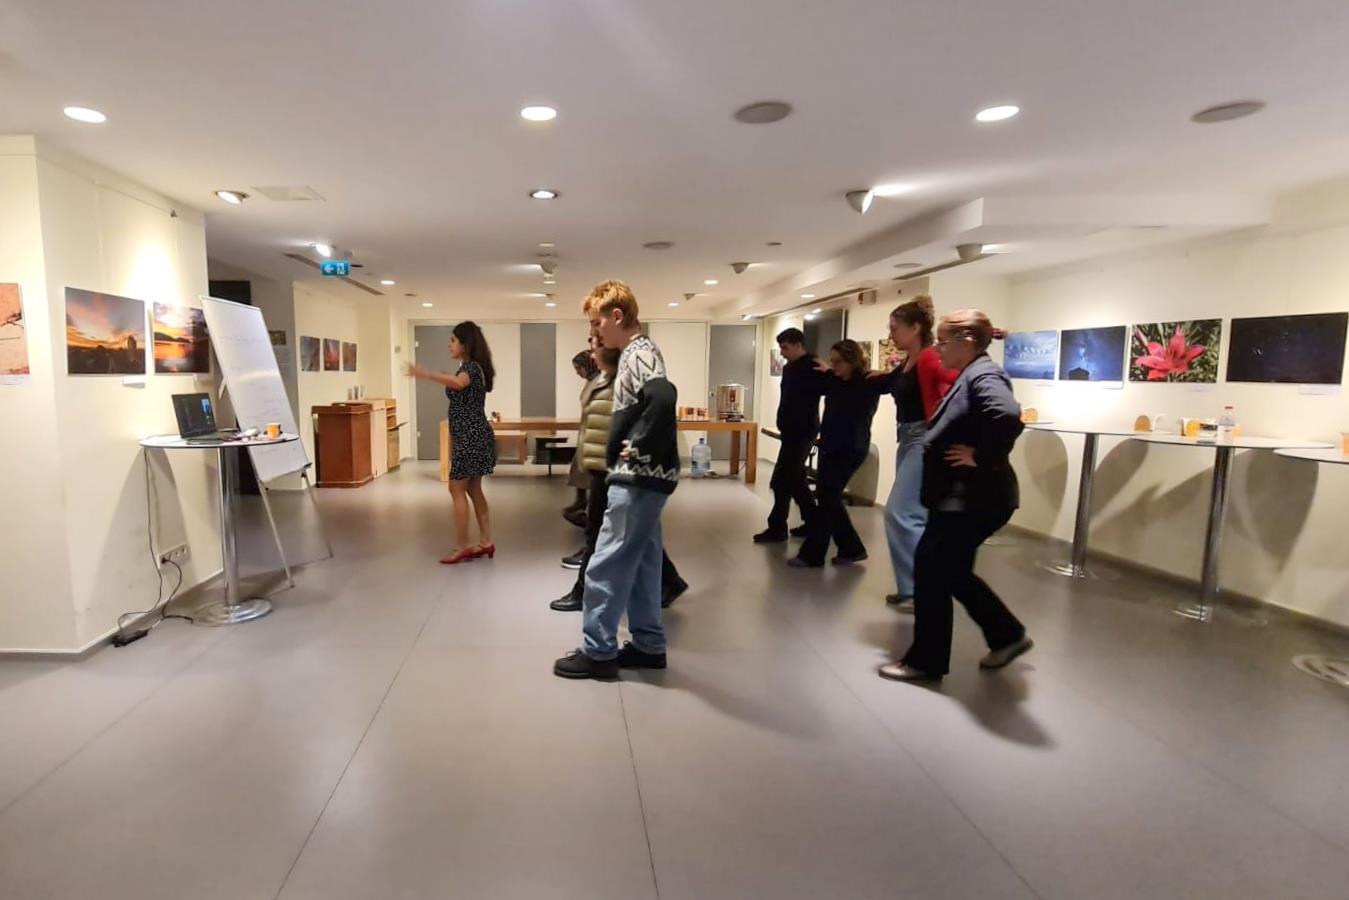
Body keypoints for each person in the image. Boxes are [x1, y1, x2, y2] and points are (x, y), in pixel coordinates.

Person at [879, 309, 1032, 683]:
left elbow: (1006, 414)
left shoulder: (984, 374)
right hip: (963, 497)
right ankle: (1007, 634)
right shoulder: (971, 372)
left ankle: (926, 661)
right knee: (953, 572)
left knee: (931, 571)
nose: (938, 349)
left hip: (971, 499)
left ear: (967, 342)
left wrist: (980, 455)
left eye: (943, 342)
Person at [555, 280, 681, 680]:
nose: (596, 333)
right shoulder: (639, 352)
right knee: (643, 565)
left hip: (638, 478)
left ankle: (598, 652)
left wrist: (639, 444)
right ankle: (648, 646)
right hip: (647, 477)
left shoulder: (638, 353)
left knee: (606, 563)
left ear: (617, 316)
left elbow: (664, 396)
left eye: (598, 323)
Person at [549, 344, 688, 612]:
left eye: (595, 347)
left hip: (611, 467)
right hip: (600, 465)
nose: (592, 354)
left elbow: (646, 412)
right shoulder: (602, 380)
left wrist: (632, 448)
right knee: (634, 531)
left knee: (598, 532)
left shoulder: (623, 382)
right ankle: (670, 581)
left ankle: (583, 592)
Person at [867, 296, 958, 610]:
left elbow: (955, 385)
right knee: (913, 513)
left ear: (915, 327)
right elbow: (888, 382)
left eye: (894, 328)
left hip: (923, 439)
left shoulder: (930, 357)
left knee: (900, 512)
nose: (890, 334)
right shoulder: (908, 362)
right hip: (908, 439)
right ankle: (912, 588)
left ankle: (921, 591)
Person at [405, 321, 497, 565]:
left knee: (456, 488)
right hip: (473, 435)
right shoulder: (472, 367)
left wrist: (426, 374)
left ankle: (461, 547)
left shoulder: (471, 368)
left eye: (453, 340)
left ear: (466, 344)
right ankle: (486, 542)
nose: (449, 344)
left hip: (470, 436)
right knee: (473, 489)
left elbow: (458, 383)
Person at [788, 339, 878, 568]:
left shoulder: (866, 384)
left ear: (852, 360)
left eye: (838, 362)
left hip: (850, 448)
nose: (834, 366)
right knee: (829, 497)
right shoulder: (836, 380)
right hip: (830, 446)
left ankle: (813, 554)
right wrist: (829, 371)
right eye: (832, 361)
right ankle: (851, 548)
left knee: (828, 498)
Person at [754, 327, 823, 544]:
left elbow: (829, 388)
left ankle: (778, 527)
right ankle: (813, 522)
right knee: (794, 479)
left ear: (798, 345)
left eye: (785, 348)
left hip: (803, 431)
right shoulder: (790, 368)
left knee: (782, 480)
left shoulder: (813, 366)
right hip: (790, 431)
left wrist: (829, 372)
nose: (782, 353)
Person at [560, 345, 602, 568]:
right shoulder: (592, 382)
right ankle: (582, 502)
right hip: (588, 436)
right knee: (579, 471)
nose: (577, 372)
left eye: (579, 368)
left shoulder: (600, 382)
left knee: (595, 487)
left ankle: (592, 547)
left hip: (595, 441)